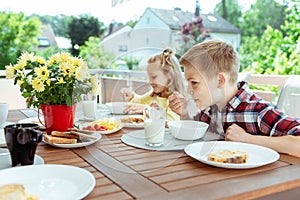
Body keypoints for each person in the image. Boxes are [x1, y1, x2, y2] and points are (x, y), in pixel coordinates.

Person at [168, 39, 300, 157]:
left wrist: (247, 139)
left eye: (194, 83)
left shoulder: (258, 111)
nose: (188, 90)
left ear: (220, 81)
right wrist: (185, 114)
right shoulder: (208, 110)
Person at [120, 48, 186, 121]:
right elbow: (140, 102)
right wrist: (132, 96)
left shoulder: (175, 100)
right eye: (149, 77)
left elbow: (171, 122)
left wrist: (150, 111)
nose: (150, 81)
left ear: (169, 75)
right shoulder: (154, 94)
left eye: (154, 77)